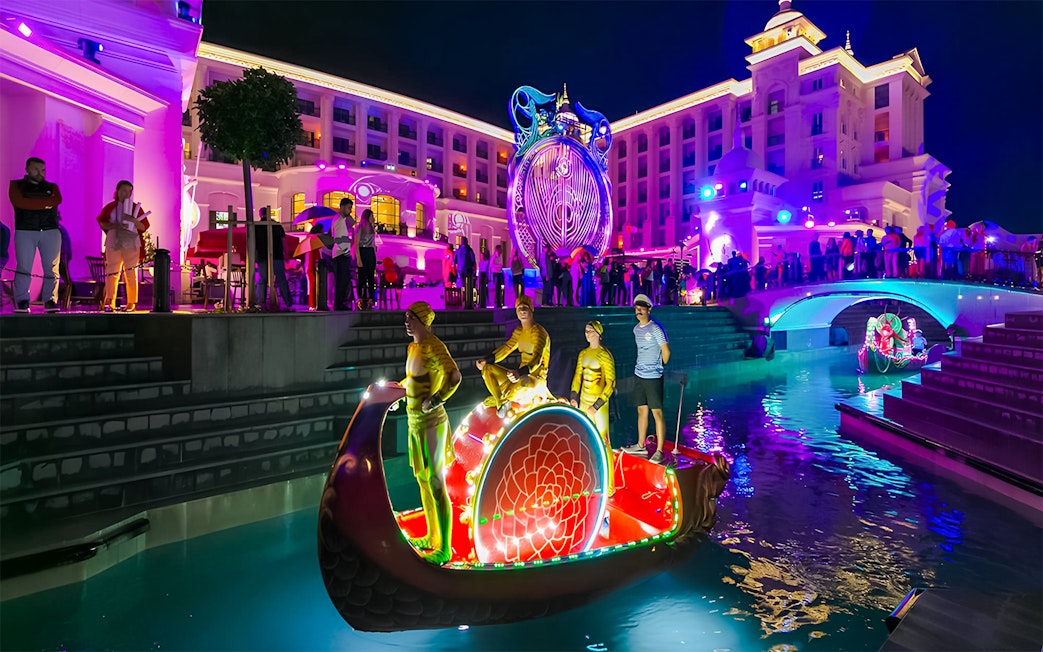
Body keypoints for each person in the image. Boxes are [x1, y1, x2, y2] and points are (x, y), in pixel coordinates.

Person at [400, 301, 462, 565]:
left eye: (411, 318)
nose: (406, 322)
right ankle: (431, 535)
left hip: (432, 423)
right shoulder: (412, 347)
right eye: (406, 317)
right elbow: (413, 378)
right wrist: (398, 389)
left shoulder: (433, 346)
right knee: (422, 480)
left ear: (423, 321)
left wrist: (436, 400)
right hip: (414, 422)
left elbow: (454, 376)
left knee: (436, 482)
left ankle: (445, 547)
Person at [475, 295, 550, 417]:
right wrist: (486, 360)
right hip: (519, 375)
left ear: (531, 309)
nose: (522, 311)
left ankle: (502, 397)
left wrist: (520, 373)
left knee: (524, 382)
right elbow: (507, 348)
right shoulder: (519, 331)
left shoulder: (539, 333)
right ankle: (501, 401)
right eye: (519, 308)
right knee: (487, 369)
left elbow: (537, 359)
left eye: (525, 307)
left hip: (535, 379)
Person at [621, 293, 670, 464]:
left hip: (653, 377)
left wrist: (659, 366)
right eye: (636, 308)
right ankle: (641, 445)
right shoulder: (636, 330)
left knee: (657, 413)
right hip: (639, 374)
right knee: (641, 411)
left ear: (649, 309)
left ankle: (659, 450)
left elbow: (666, 351)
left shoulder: (656, 328)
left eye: (642, 308)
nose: (639, 311)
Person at [9, 157, 62, 313]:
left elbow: (57, 200)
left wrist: (36, 204)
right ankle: (22, 300)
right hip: (25, 230)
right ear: (27, 169)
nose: (40, 173)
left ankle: (50, 300)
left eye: (43, 170)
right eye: (36, 169)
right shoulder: (16, 186)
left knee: (52, 268)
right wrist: (46, 204)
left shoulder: (52, 187)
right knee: (24, 267)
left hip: (50, 230)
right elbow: (20, 202)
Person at [570, 320, 616, 494]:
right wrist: (573, 397)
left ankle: (610, 485)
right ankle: (589, 480)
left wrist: (597, 405)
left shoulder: (605, 355)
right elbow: (577, 377)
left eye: (590, 331)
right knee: (585, 440)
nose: (587, 334)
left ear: (598, 333)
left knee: (604, 442)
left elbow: (610, 383)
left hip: (599, 406)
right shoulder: (583, 354)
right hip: (583, 401)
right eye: (586, 330)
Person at [97, 180, 149, 312]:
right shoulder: (110, 207)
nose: (126, 194)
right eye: (124, 191)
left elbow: (143, 226)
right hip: (113, 240)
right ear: (118, 191)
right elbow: (102, 222)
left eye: (129, 191)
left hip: (131, 242)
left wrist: (133, 220)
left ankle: (131, 302)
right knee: (112, 271)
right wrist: (115, 225)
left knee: (131, 272)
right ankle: (110, 300)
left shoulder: (135, 208)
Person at [254, 207, 292, 310]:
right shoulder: (277, 225)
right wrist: (286, 254)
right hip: (277, 255)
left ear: (260, 214)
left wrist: (255, 257)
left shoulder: (257, 226)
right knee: (281, 279)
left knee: (263, 279)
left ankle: (260, 302)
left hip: (262, 255)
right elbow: (283, 241)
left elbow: (254, 242)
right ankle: (288, 302)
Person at [331, 197, 354, 311]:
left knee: (342, 280)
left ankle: (339, 303)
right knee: (342, 280)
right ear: (343, 207)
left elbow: (352, 223)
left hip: (340, 253)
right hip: (341, 254)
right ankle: (339, 303)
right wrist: (346, 251)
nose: (350, 210)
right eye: (349, 208)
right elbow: (339, 238)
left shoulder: (339, 219)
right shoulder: (339, 221)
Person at [354, 208, 377, 309]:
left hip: (370, 252)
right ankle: (360, 299)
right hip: (363, 251)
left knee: (371, 277)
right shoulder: (360, 227)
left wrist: (375, 255)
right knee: (362, 278)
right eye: (372, 216)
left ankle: (370, 299)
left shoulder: (372, 228)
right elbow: (356, 244)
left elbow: (373, 243)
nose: (373, 218)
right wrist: (358, 258)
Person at [454, 236, 476, 309]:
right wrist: (472, 266)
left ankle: (459, 301)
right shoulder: (469, 250)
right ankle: (468, 302)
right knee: (468, 286)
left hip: (460, 270)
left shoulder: (458, 250)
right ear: (466, 242)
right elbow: (473, 259)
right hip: (467, 269)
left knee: (460, 285)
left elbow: (454, 260)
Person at [491, 243, 505, 308]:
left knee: (499, 288)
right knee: (497, 288)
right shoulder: (494, 256)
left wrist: (500, 266)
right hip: (495, 273)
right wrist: (498, 266)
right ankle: (497, 301)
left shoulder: (500, 256)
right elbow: (491, 265)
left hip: (499, 273)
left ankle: (499, 301)